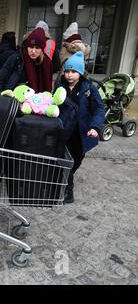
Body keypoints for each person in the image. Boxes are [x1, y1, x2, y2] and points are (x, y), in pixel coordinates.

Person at [56, 52, 104, 204]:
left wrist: (95, 126)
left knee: (76, 160)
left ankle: (65, 178)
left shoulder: (89, 88)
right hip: (65, 132)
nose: (70, 75)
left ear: (81, 73)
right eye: (67, 71)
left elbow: (99, 108)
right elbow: (53, 104)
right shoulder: (60, 87)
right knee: (67, 161)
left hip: (82, 133)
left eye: (74, 71)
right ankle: (68, 192)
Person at [0, 27, 53, 93]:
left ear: (42, 49)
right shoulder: (16, 58)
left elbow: (48, 87)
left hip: (37, 100)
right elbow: (1, 77)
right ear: (27, 47)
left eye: (37, 48)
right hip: (14, 97)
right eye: (31, 47)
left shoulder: (46, 63)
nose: (33, 51)